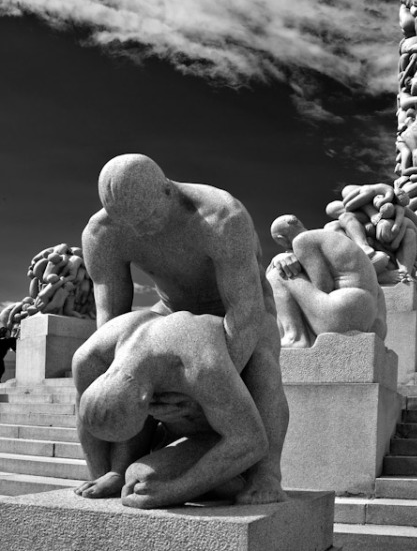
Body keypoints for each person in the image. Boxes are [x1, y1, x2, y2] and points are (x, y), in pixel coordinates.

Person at [81, 153, 288, 505]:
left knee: (262, 357)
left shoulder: (220, 216)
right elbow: (111, 319)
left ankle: (267, 472)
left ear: (166, 191)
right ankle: (115, 468)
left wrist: (201, 395)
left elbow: (245, 309)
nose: (141, 230)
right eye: (129, 224)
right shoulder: (102, 233)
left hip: (242, 312)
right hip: (171, 312)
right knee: (117, 365)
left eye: (148, 218)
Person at [73, 309, 269, 509]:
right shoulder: (90, 358)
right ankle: (122, 470)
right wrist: (111, 473)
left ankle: (240, 477)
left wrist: (174, 490)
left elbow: (251, 440)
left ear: (145, 400)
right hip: (189, 411)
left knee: (142, 477)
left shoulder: (201, 364)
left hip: (233, 421)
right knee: (135, 477)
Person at [266, 215, 387, 349]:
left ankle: (294, 337)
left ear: (281, 239)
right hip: (369, 316)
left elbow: (324, 286)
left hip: (342, 311)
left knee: (277, 275)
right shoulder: (330, 236)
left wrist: (280, 262)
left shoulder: (303, 241)